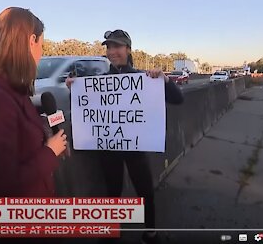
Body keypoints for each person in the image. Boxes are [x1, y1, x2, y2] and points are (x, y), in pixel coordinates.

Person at [66, 29, 184, 244]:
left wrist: (164, 79)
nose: (112, 51)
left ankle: (151, 233)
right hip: (109, 149)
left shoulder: (145, 78)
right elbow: (86, 111)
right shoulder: (99, 83)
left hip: (136, 149)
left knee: (145, 192)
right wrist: (75, 89)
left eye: (117, 46)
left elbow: (178, 99)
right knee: (112, 193)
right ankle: (112, 232)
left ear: (128, 49)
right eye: (109, 47)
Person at [0, 7, 67, 198]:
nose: (41, 54)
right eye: (42, 45)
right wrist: (50, 151)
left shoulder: (13, 92)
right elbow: (5, 184)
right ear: (32, 41)